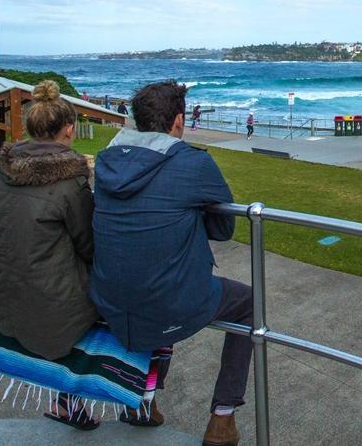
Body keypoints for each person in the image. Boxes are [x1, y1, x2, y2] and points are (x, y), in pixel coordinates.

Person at [91, 80, 250, 446]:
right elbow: (224, 228)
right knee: (247, 305)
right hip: (165, 300)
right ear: (178, 121)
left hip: (109, 298)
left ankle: (140, 400)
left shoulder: (106, 161)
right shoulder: (193, 162)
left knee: (158, 275)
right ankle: (222, 419)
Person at [0, 80, 101, 428]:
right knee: (118, 296)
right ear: (69, 129)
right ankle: (123, 399)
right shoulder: (70, 182)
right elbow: (90, 244)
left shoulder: (2, 173)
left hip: (7, 295)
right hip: (53, 310)